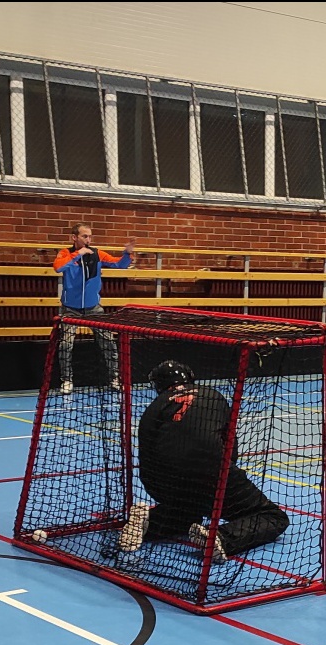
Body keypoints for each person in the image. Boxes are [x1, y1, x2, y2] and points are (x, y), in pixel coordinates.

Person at [118, 361, 289, 563]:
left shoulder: (153, 408)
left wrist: (167, 495)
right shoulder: (212, 395)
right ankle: (221, 537)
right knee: (273, 517)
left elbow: (146, 460)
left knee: (190, 511)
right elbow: (230, 447)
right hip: (211, 471)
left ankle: (151, 522)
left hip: (166, 481)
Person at [52, 223, 135, 394]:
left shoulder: (97, 254)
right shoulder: (65, 253)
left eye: (90, 236)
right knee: (65, 344)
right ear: (74, 237)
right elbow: (58, 267)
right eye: (84, 236)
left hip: (93, 308)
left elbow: (119, 264)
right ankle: (67, 380)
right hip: (70, 309)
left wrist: (127, 254)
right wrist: (78, 254)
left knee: (108, 341)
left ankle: (114, 378)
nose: (88, 240)